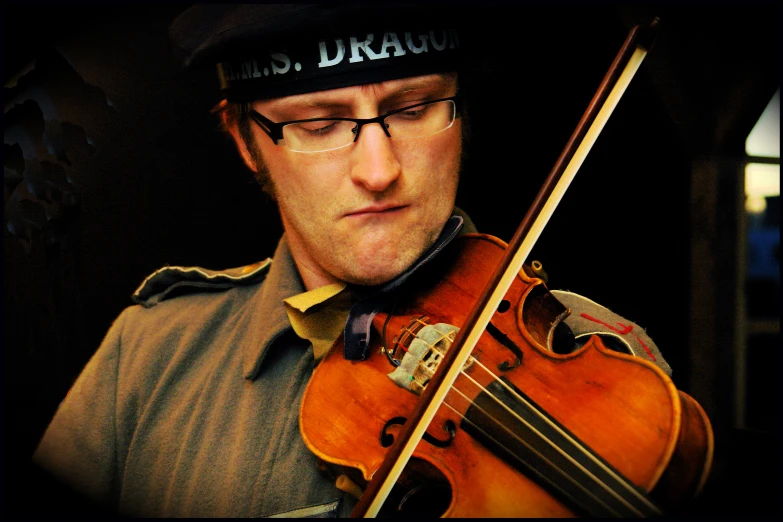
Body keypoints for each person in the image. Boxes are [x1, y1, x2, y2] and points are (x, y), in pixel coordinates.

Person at [32, 4, 672, 518]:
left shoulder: (597, 360)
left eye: (415, 109)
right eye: (319, 124)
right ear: (245, 141)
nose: (379, 170)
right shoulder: (146, 356)